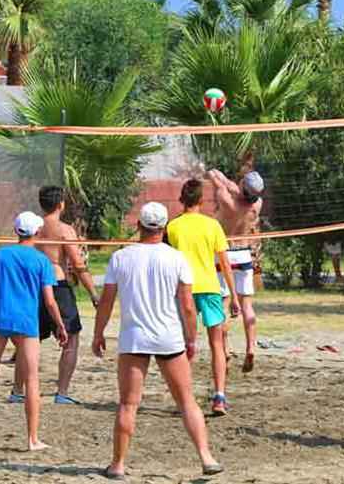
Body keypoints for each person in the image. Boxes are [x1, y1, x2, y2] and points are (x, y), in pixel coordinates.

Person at [93, 202, 223, 479]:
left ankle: (118, 464)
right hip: (169, 337)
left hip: (134, 337)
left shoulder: (121, 257)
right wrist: (191, 339)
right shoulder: (176, 258)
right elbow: (187, 306)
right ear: (164, 228)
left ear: (139, 225)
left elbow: (106, 301)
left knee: (128, 404)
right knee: (186, 401)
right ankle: (206, 457)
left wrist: (98, 333)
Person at [0, 212, 68, 451]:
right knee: (31, 379)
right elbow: (50, 301)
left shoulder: (1, 254)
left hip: (0, 318)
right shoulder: (42, 261)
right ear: (38, 232)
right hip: (26, 322)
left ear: (16, 231)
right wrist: (60, 325)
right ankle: (32, 439)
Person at [8, 186, 100, 404]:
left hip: (33, 287)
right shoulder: (64, 230)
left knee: (28, 340)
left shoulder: (34, 228)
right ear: (61, 204)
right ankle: (62, 392)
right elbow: (78, 265)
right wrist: (94, 294)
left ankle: (17, 391)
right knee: (71, 338)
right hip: (57, 286)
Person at [167, 178, 240, 415]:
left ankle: (185, 399)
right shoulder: (212, 225)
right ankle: (219, 397)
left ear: (182, 199)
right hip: (209, 289)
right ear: (201, 200)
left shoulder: (173, 227)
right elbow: (225, 264)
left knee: (184, 346)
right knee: (217, 344)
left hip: (184, 291)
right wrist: (234, 296)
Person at [208, 169, 263, 373]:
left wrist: (225, 180)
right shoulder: (257, 204)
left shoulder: (226, 200)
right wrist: (236, 186)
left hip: (224, 254)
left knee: (222, 305)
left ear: (242, 186)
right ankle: (251, 347)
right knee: (247, 305)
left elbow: (215, 177)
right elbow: (236, 190)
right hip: (244, 254)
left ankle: (226, 349)